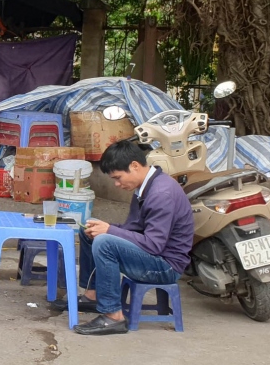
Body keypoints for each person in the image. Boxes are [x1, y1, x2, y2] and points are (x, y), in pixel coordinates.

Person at [63, 139, 195, 337]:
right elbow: (132, 229)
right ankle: (93, 295)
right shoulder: (145, 187)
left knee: (104, 241)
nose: (117, 184)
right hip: (154, 255)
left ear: (134, 165)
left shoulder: (161, 193)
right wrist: (104, 227)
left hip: (166, 266)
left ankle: (113, 316)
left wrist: (109, 231)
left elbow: (153, 245)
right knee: (91, 230)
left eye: (118, 178)